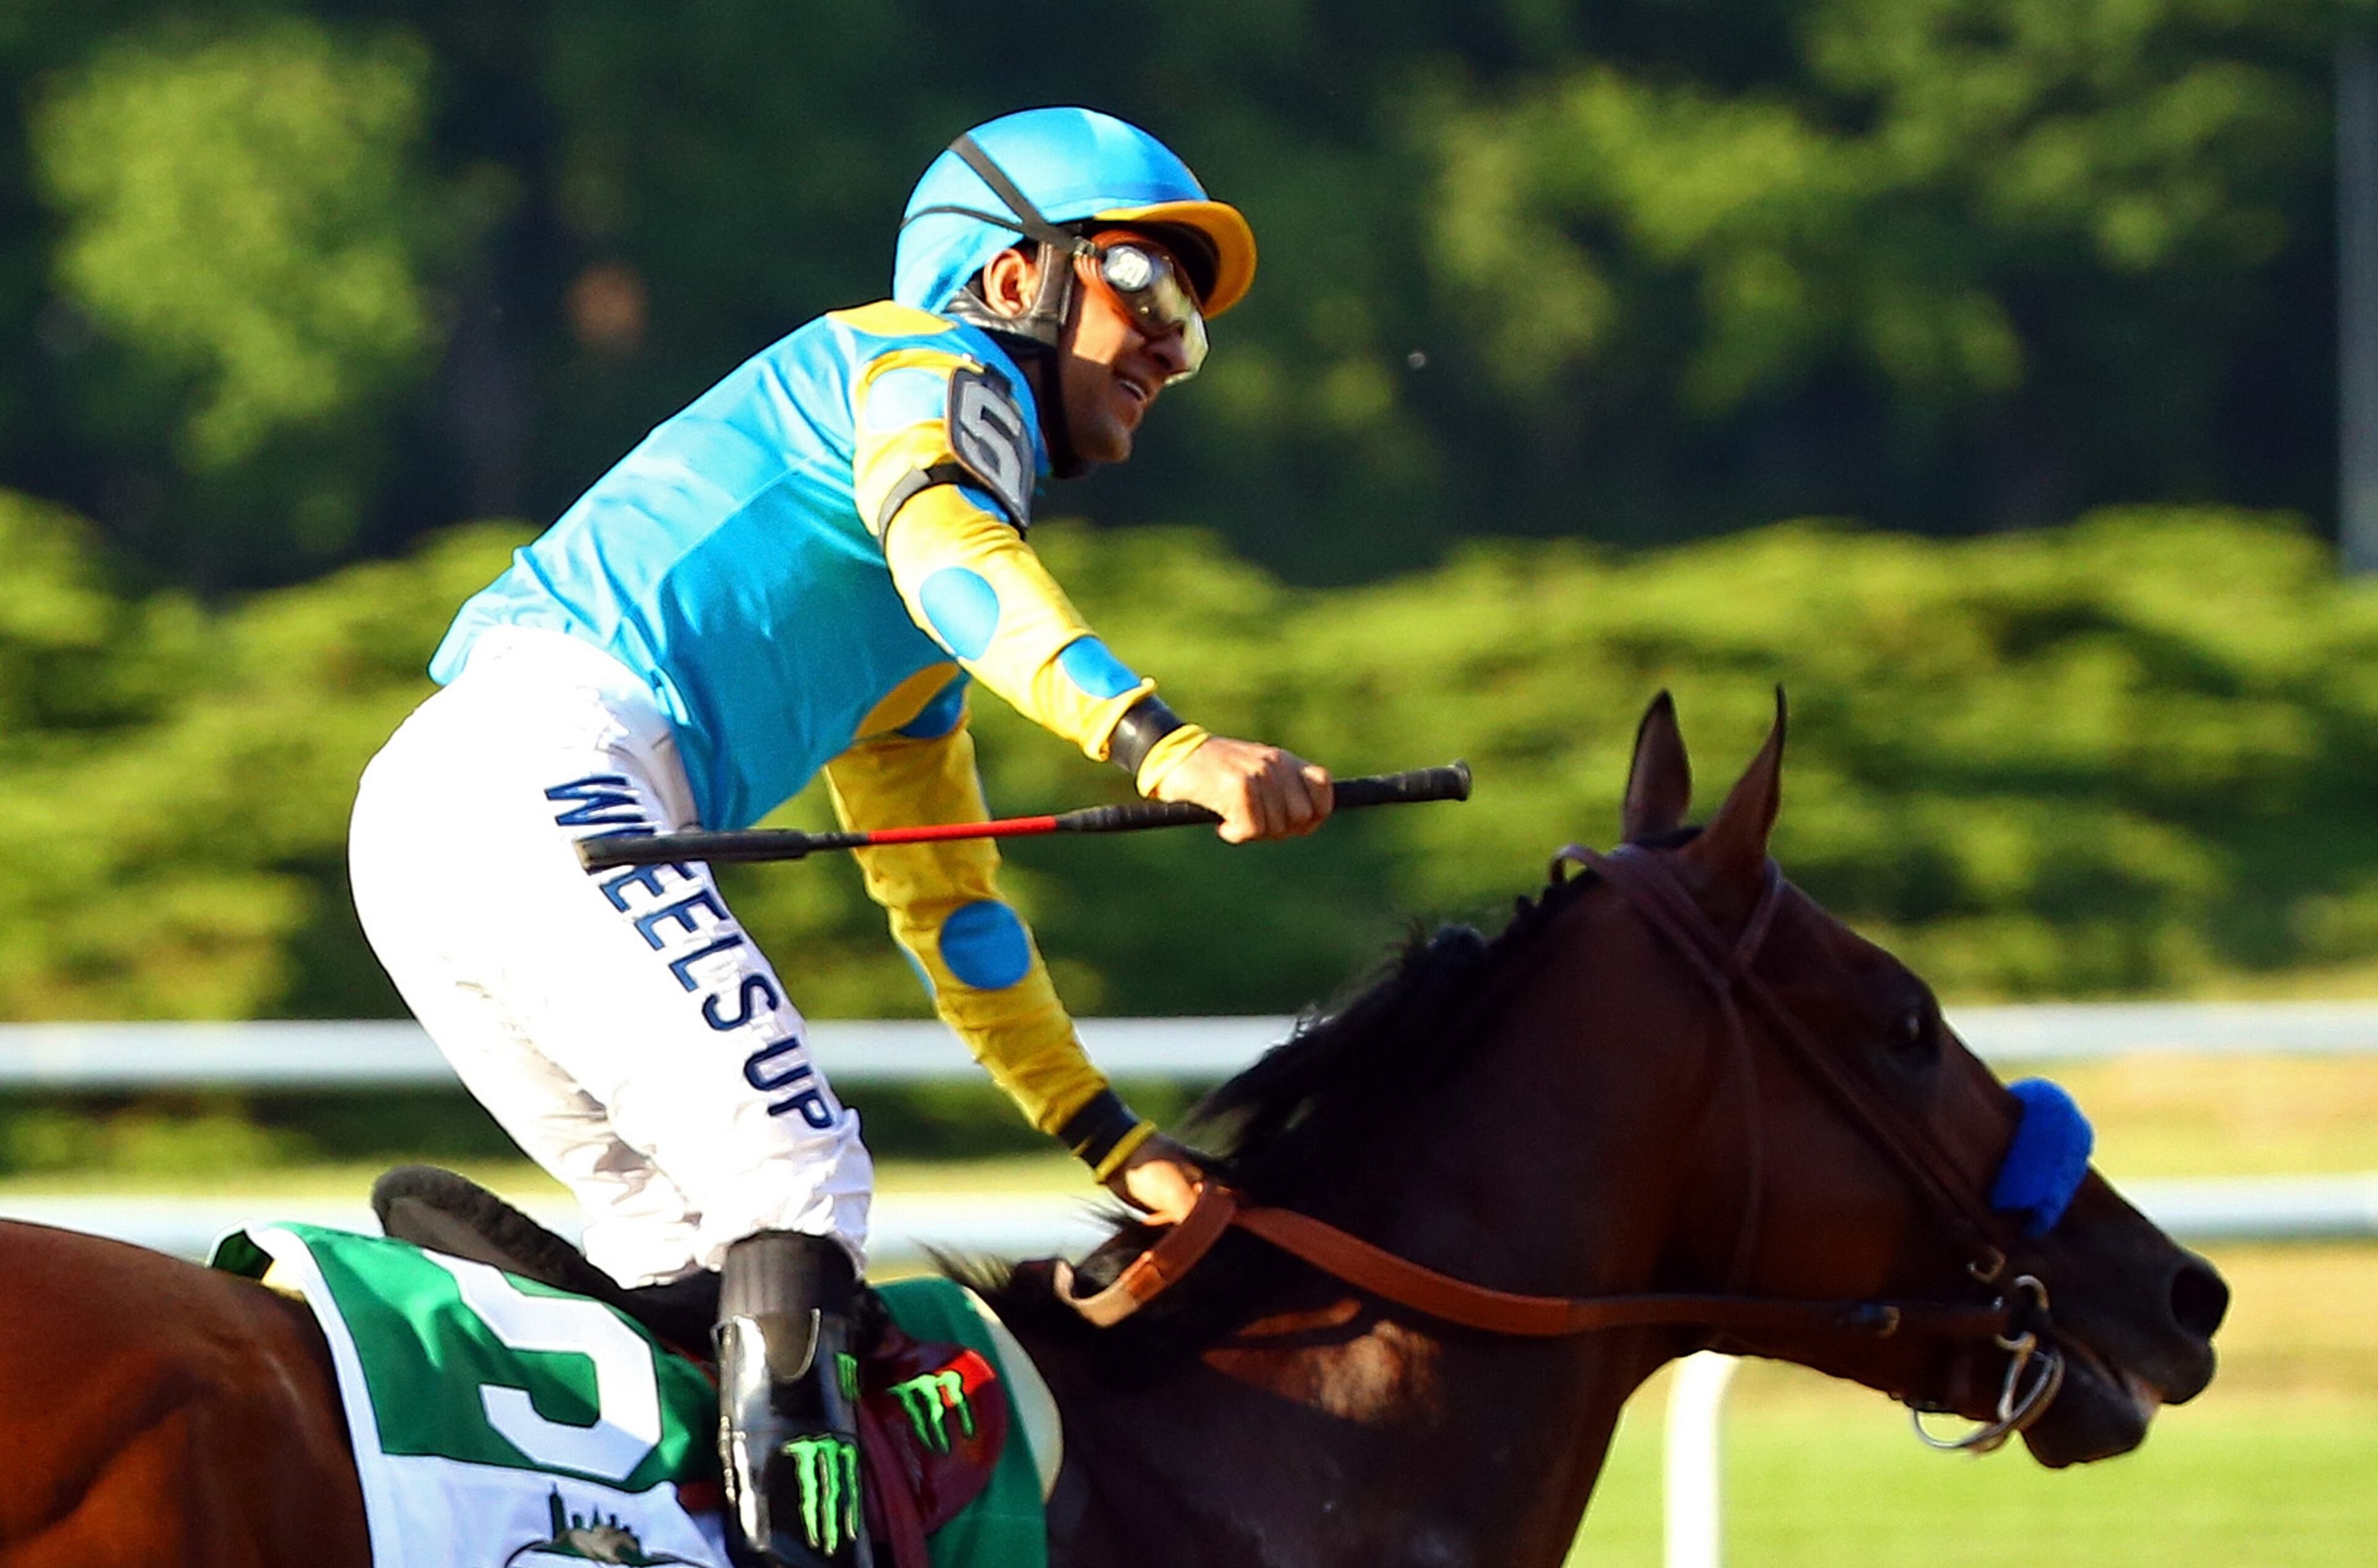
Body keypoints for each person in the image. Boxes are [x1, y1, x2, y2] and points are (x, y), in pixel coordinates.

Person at [346, 106, 1332, 1568]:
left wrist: (1105, 1135)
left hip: (466, 814)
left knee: (691, 1258)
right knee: (798, 1173)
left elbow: (953, 909)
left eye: (1191, 328)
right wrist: (1158, 741)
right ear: (1016, 283)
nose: (1172, 353)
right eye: (1155, 291)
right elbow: (950, 539)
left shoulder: (917, 639)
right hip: (545, 778)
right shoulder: (926, 372)